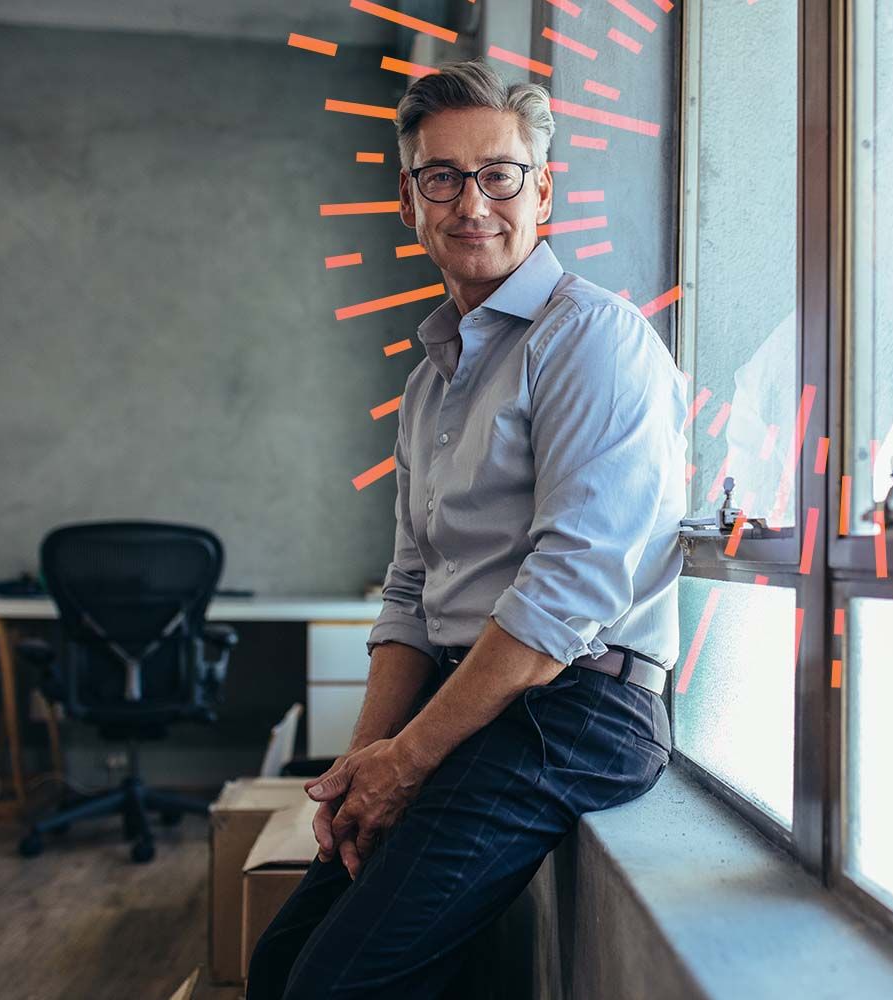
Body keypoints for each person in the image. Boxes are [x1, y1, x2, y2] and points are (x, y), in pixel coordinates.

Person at [246, 58, 688, 999]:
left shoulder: (592, 340)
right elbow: (411, 589)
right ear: (409, 201)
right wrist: (363, 762)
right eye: (441, 177)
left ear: (543, 192)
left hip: (576, 710)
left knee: (335, 985)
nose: (471, 202)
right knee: (280, 964)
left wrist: (407, 760)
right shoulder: (430, 377)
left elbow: (566, 594)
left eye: (498, 174)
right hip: (472, 699)